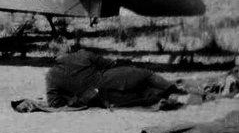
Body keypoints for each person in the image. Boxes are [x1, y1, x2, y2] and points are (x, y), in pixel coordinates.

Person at [45, 50, 185, 108]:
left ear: (53, 56)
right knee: (147, 75)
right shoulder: (83, 54)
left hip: (100, 98)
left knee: (142, 97)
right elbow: (111, 64)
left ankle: (169, 98)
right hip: (114, 78)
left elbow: (54, 103)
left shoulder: (51, 75)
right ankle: (174, 90)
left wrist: (76, 98)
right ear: (67, 50)